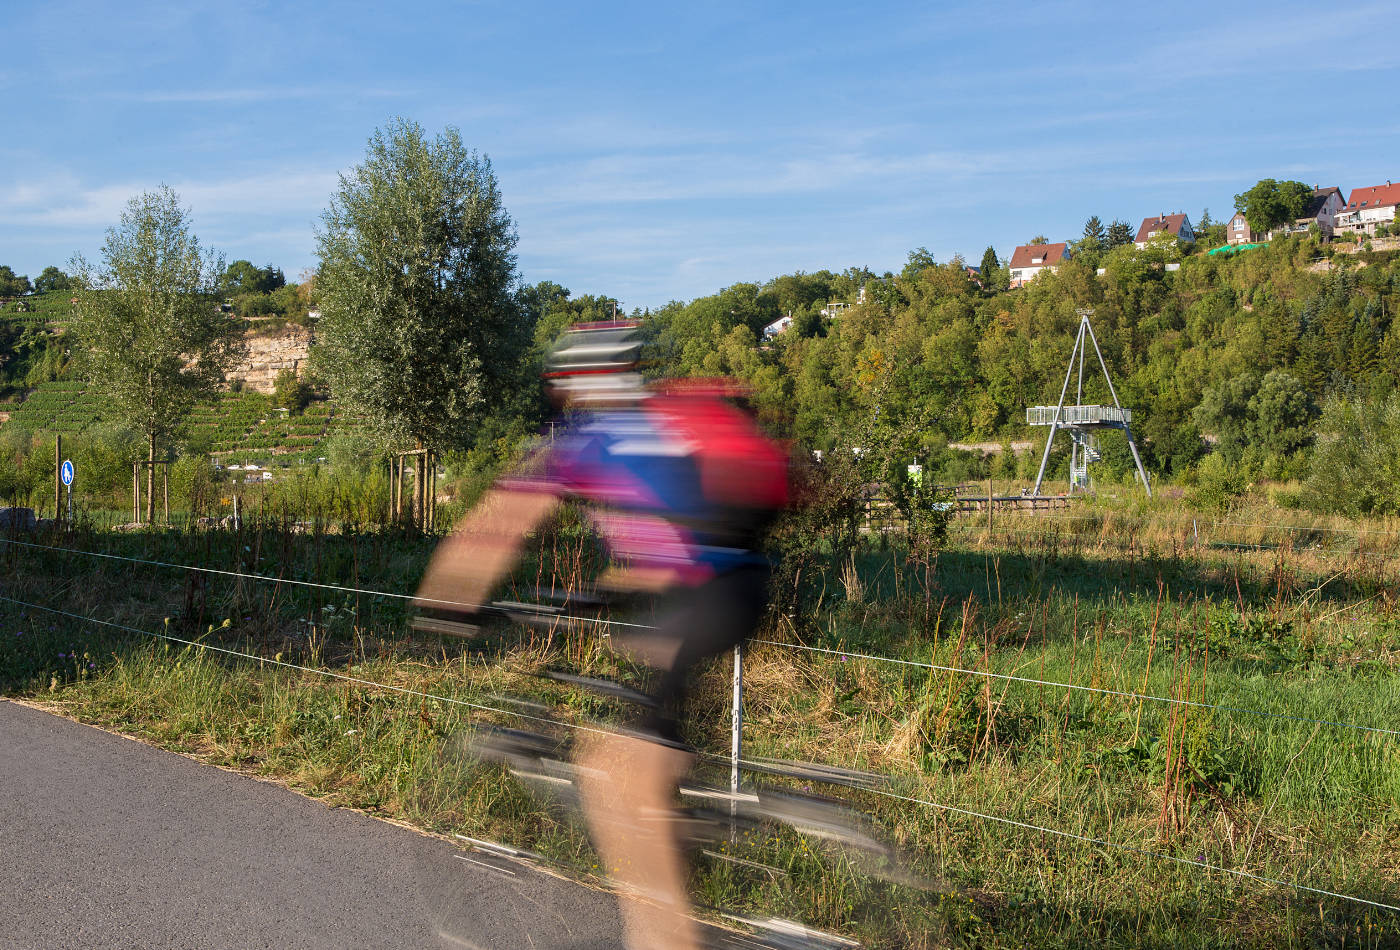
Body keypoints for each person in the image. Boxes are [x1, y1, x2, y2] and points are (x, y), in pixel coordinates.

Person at [414, 321, 788, 950]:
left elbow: (495, 527)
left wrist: (441, 607)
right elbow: (665, 537)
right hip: (737, 587)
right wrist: (596, 595)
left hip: (702, 597)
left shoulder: (583, 441)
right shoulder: (662, 426)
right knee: (644, 727)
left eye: (563, 385)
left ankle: (665, 937)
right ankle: (680, 825)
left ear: (580, 383)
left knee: (610, 767)